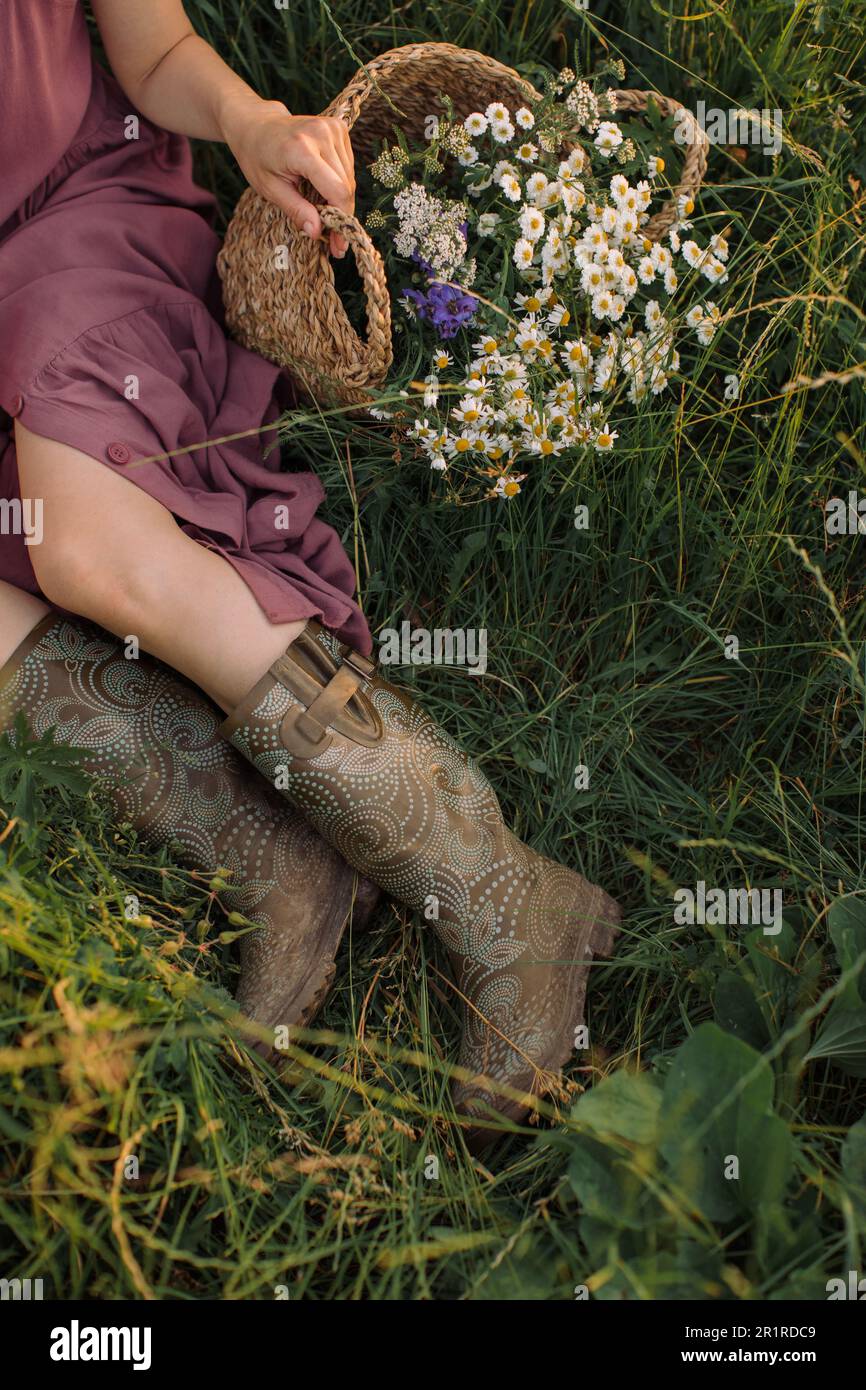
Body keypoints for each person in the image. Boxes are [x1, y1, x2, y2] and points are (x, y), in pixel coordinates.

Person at [0, 0, 619, 1151]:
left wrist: (249, 120)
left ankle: (493, 884)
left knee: (78, 544)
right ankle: (269, 848)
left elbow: (156, 47)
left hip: (80, 230)